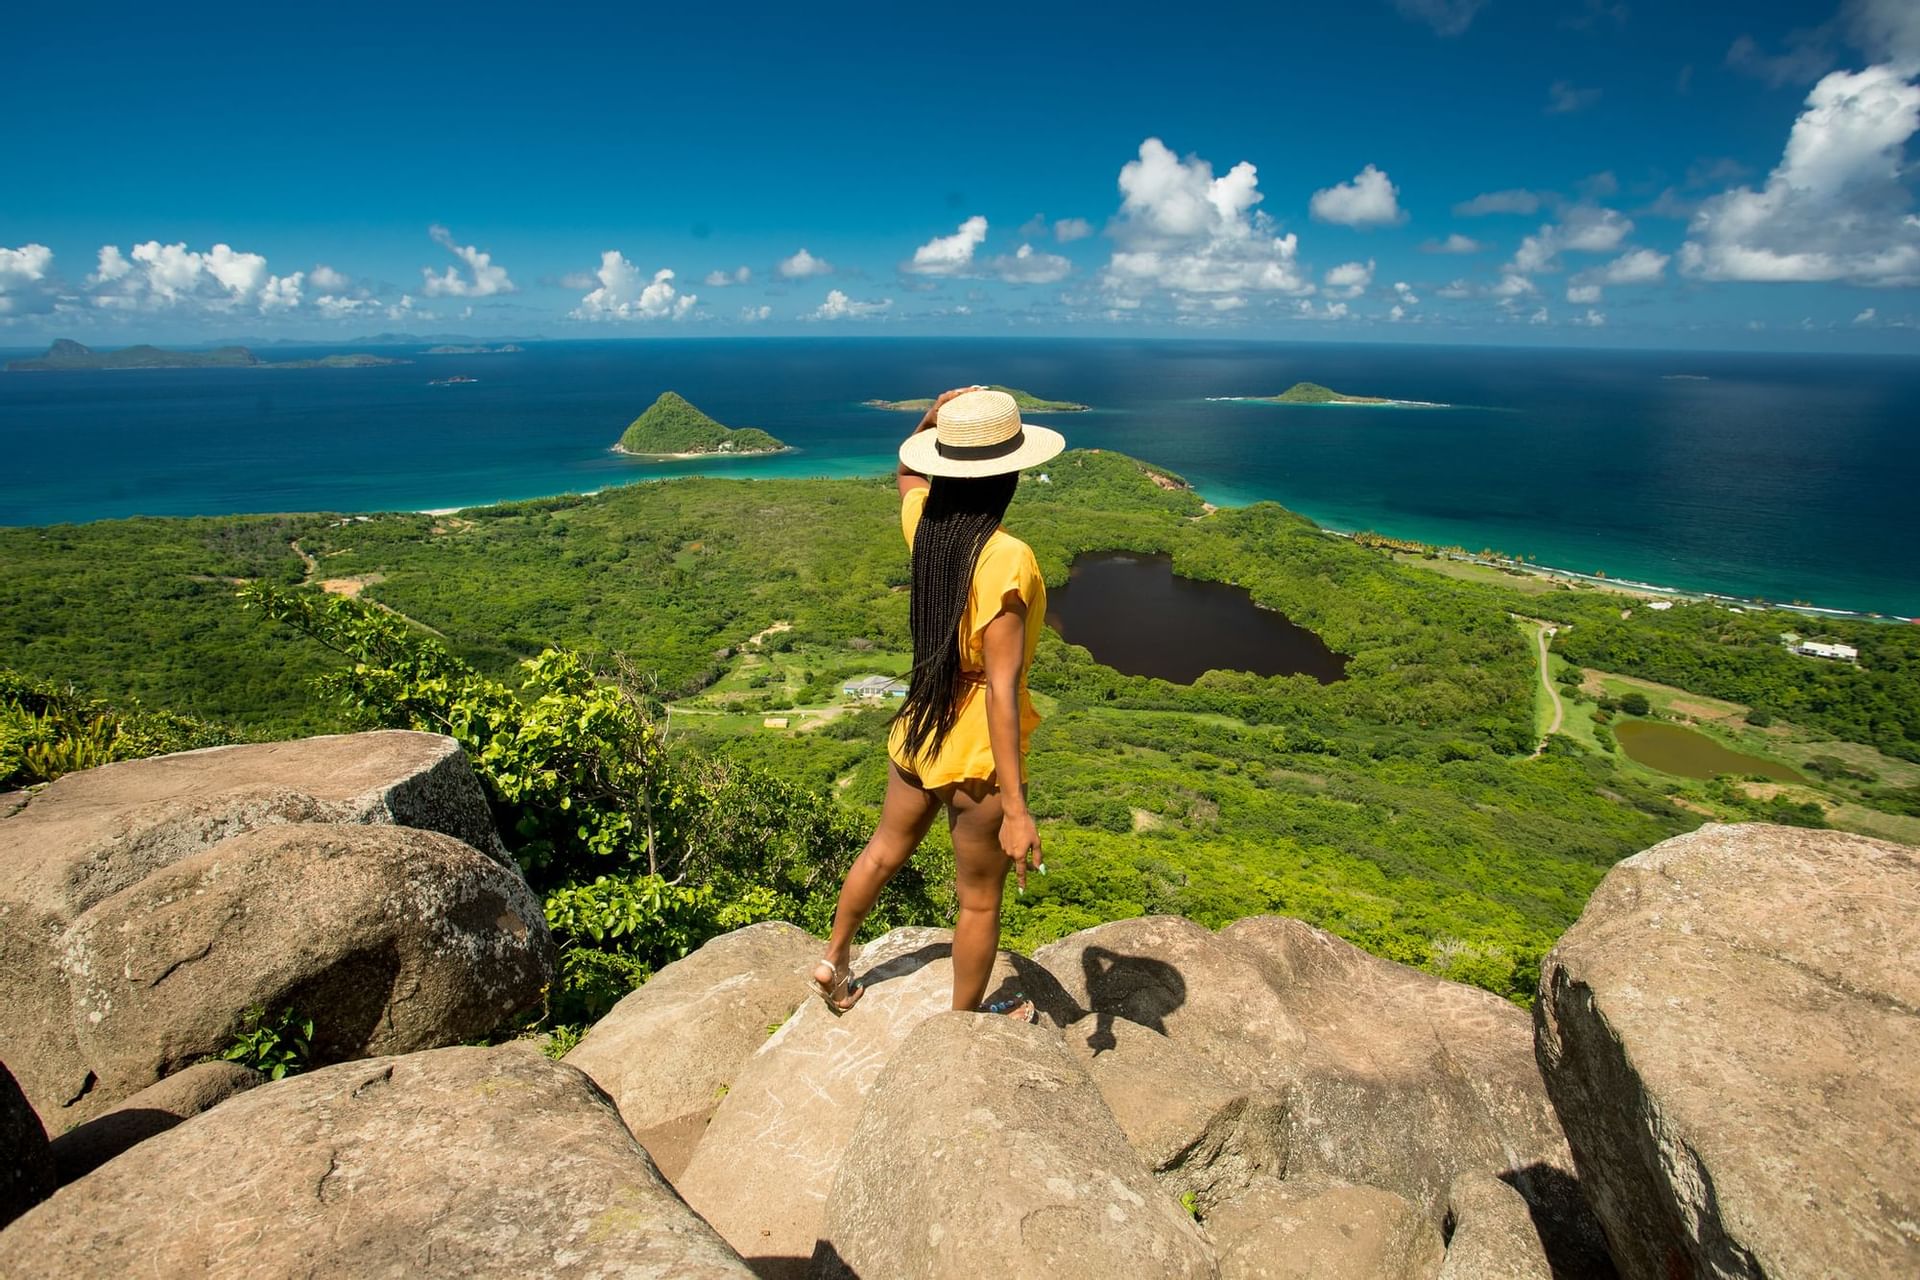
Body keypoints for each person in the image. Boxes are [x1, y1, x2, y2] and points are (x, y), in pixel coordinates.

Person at [809, 386, 1065, 1021]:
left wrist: (935, 416)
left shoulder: (927, 524)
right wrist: (1016, 808)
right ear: (1009, 474)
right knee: (978, 901)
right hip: (977, 745)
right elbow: (1001, 689)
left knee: (882, 850)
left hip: (922, 721)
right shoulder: (1007, 558)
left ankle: (834, 958)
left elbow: (904, 472)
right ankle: (960, 1027)